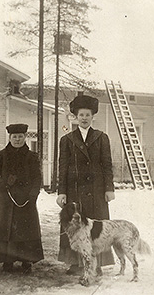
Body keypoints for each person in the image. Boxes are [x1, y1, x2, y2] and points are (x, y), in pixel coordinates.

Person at [56, 95, 116, 275]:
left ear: (92, 117)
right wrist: (62, 192)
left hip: (96, 191)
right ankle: (75, 262)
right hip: (75, 191)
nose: (84, 118)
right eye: (81, 115)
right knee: (74, 227)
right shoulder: (67, 140)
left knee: (97, 228)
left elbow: (107, 165)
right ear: (75, 117)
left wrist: (109, 188)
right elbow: (63, 168)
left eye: (87, 115)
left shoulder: (101, 138)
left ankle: (97, 264)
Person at [0, 123, 44, 273]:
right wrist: (0, 183)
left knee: (25, 229)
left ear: (25, 137)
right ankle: (8, 260)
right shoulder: (1, 155)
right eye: (15, 137)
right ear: (10, 137)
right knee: (7, 229)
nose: (17, 139)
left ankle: (27, 261)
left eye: (20, 136)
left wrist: (33, 194)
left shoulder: (32, 157)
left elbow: (37, 177)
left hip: (26, 199)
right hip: (5, 197)